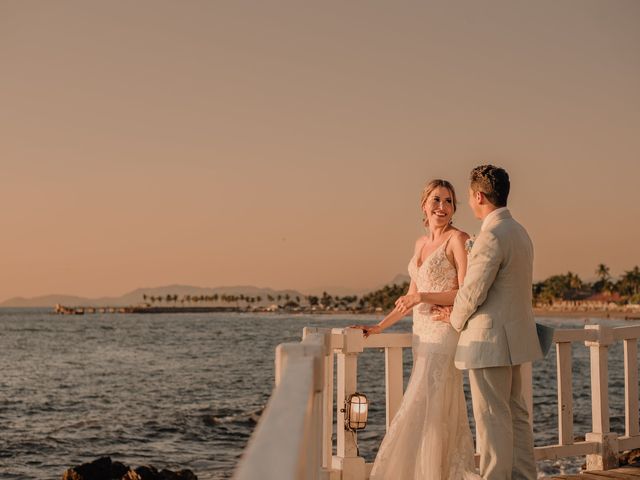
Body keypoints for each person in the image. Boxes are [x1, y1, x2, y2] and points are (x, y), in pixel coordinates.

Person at [350, 179, 481, 479]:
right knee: (431, 408)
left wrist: (423, 296)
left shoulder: (458, 239)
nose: (442, 207)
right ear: (424, 205)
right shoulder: (419, 244)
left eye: (449, 202)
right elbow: (410, 295)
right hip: (421, 334)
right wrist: (379, 326)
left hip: (443, 332)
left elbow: (464, 291)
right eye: (436, 200)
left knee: (425, 406)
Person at [434, 165, 543, 479]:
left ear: (478, 195)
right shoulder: (520, 231)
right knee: (516, 414)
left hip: (491, 342)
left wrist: (453, 321)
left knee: (492, 418)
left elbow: (473, 291)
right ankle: (523, 476)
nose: (469, 202)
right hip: (516, 338)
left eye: (469, 196)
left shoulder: (492, 235)